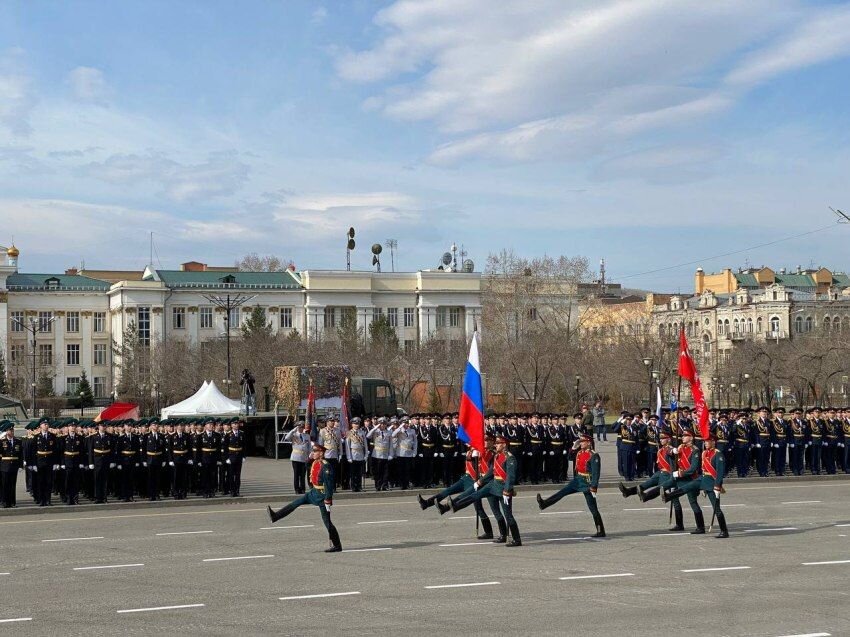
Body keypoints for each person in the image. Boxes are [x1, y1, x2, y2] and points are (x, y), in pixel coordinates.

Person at [267, 443, 342, 552]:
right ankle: (275, 516)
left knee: (327, 522)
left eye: (315, 451)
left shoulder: (326, 466)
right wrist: (309, 459)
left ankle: (337, 545)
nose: (313, 453)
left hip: (322, 496)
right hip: (313, 492)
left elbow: (329, 485)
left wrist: (328, 499)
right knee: (296, 502)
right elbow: (308, 469)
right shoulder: (315, 462)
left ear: (321, 453)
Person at [418, 437, 497, 540]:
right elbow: (470, 460)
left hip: (475, 480)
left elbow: (480, 463)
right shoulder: (472, 451)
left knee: (478, 507)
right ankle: (427, 503)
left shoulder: (483, 453)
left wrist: (477, 453)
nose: (467, 444)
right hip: (466, 478)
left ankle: (488, 532)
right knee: (448, 490)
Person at [450, 436, 521, 546]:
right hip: (493, 484)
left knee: (508, 515)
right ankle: (456, 505)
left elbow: (510, 477)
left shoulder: (509, 458)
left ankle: (517, 540)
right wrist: (480, 481)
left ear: (504, 445)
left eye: (498, 443)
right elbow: (491, 472)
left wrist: (507, 491)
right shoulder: (497, 455)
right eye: (496, 443)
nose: (496, 445)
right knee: (477, 495)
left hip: (503, 487)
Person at [536, 433, 605, 538]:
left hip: (587, 482)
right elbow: (569, 457)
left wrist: (594, 486)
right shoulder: (579, 452)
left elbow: (596, 473)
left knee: (593, 508)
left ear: (589, 443)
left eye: (583, 442)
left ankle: (600, 530)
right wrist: (573, 447)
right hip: (578, 479)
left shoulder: (594, 455)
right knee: (563, 492)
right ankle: (544, 503)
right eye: (580, 442)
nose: (581, 444)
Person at [664, 433, 729, 539]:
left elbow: (720, 472)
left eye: (708, 441)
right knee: (687, 487)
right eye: (705, 441)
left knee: (716, 508)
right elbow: (703, 470)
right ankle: (700, 527)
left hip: (712, 483)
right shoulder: (704, 453)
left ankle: (724, 531)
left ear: (713, 442)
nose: (706, 443)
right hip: (703, 479)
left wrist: (718, 486)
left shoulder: (718, 454)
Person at [619, 429, 684, 531]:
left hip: (669, 474)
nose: (661, 440)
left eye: (664, 439)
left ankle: (680, 524)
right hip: (660, 473)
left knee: (674, 499)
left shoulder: (669, 449)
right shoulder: (660, 450)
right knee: (646, 484)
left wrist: (674, 452)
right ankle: (629, 492)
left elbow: (671, 453)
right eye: (661, 438)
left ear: (669, 440)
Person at [661, 429, 703, 533]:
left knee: (693, 502)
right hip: (679, 479)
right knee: (674, 498)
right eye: (682, 436)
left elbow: (693, 469)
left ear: (691, 438)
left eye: (685, 436)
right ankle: (679, 524)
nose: (682, 437)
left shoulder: (695, 450)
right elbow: (669, 456)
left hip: (690, 479)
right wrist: (672, 452)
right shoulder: (680, 447)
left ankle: (700, 527)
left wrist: (679, 473)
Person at [61, 421, 86, 505]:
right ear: (68, 428)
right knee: (68, 481)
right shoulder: (64, 438)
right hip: (67, 462)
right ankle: (68, 498)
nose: (72, 428)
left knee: (76, 481)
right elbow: (61, 452)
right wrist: (62, 463)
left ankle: (75, 499)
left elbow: (82, 451)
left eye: (74, 426)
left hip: (76, 462)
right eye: (71, 426)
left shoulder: (80, 438)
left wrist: (82, 462)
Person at [0, 421, 23, 508]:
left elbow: (21, 454)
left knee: (13, 485)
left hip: (14, 466)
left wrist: (21, 465)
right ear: (6, 431)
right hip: (5, 466)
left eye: (13, 430)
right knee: (5, 485)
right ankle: (5, 502)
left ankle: (12, 502)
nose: (12, 432)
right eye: (10, 430)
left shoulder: (18, 441)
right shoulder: (2, 442)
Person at [284, 421, 311, 494]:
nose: (301, 429)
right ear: (297, 427)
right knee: (296, 474)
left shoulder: (306, 436)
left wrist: (309, 456)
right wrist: (293, 430)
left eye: (302, 427)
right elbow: (286, 437)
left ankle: (303, 489)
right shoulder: (294, 435)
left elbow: (309, 448)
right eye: (299, 427)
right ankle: (296, 489)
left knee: (303, 474)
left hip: (304, 457)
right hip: (295, 458)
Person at [344, 418, 368, 492]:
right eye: (355, 424)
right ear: (352, 424)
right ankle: (354, 487)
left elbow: (365, 445)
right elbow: (347, 446)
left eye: (357, 424)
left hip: (360, 454)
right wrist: (349, 457)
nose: (356, 425)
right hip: (353, 454)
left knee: (359, 473)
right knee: (353, 472)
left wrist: (366, 454)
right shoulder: (349, 433)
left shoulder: (362, 432)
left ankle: (359, 486)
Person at [224, 418, 246, 496]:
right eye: (234, 424)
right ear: (231, 425)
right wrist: (227, 458)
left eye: (237, 424)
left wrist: (244, 456)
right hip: (231, 457)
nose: (236, 425)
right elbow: (225, 447)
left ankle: (237, 491)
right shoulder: (228, 434)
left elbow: (244, 446)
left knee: (238, 475)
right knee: (231, 475)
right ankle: (232, 491)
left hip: (239, 457)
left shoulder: (241, 434)